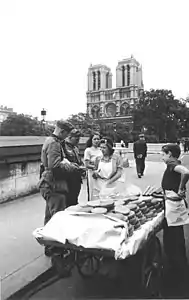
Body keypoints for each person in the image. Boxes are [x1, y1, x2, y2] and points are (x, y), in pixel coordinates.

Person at [161, 143, 189, 285]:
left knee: (172, 236)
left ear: (170, 154)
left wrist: (181, 187)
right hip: (174, 204)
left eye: (163, 154)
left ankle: (176, 268)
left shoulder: (172, 165)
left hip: (173, 206)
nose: (162, 157)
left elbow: (186, 172)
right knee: (176, 235)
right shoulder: (172, 164)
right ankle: (179, 263)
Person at [62, 129, 85, 206]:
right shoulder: (62, 147)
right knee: (68, 202)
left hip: (76, 178)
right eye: (76, 139)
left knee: (74, 200)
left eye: (79, 139)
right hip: (67, 179)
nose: (78, 141)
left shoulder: (75, 148)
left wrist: (82, 167)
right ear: (69, 137)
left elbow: (79, 160)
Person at [84, 132, 102, 201]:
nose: (96, 141)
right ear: (91, 140)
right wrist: (95, 167)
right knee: (93, 191)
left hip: (101, 173)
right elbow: (86, 164)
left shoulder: (101, 149)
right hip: (92, 174)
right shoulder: (88, 150)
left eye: (98, 139)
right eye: (95, 139)